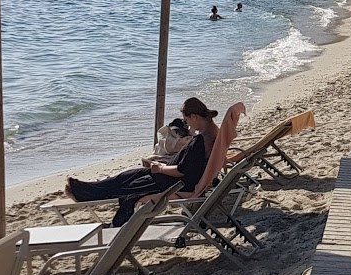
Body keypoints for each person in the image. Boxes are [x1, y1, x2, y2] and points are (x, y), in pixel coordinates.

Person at [64, 97, 239, 226]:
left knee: (128, 187)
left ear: (194, 116)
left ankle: (84, 193)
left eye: (186, 120)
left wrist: (161, 168)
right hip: (177, 179)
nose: (187, 125)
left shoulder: (202, 141)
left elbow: (182, 171)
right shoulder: (213, 134)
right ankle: (87, 189)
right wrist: (160, 165)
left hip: (177, 184)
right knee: (131, 174)